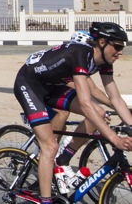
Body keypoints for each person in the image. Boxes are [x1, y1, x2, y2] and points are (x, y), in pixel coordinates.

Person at [13, 22, 132, 203]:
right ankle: (46, 200)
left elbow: (115, 98)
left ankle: (64, 158)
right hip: (30, 85)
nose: (120, 52)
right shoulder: (80, 54)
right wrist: (115, 139)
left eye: (123, 47)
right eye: (117, 46)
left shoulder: (105, 62)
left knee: (98, 114)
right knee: (50, 147)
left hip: (53, 87)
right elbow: (85, 103)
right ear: (101, 42)